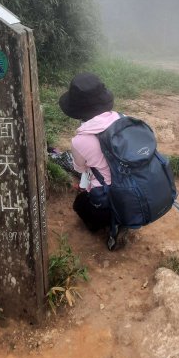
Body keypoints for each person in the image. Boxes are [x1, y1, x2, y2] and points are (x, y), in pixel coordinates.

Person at [58, 72, 126, 245]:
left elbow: (82, 170)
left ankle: (107, 224)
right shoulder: (122, 120)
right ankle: (126, 216)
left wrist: (84, 187)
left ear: (78, 110)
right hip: (132, 188)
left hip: (107, 196)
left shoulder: (80, 141)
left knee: (79, 205)